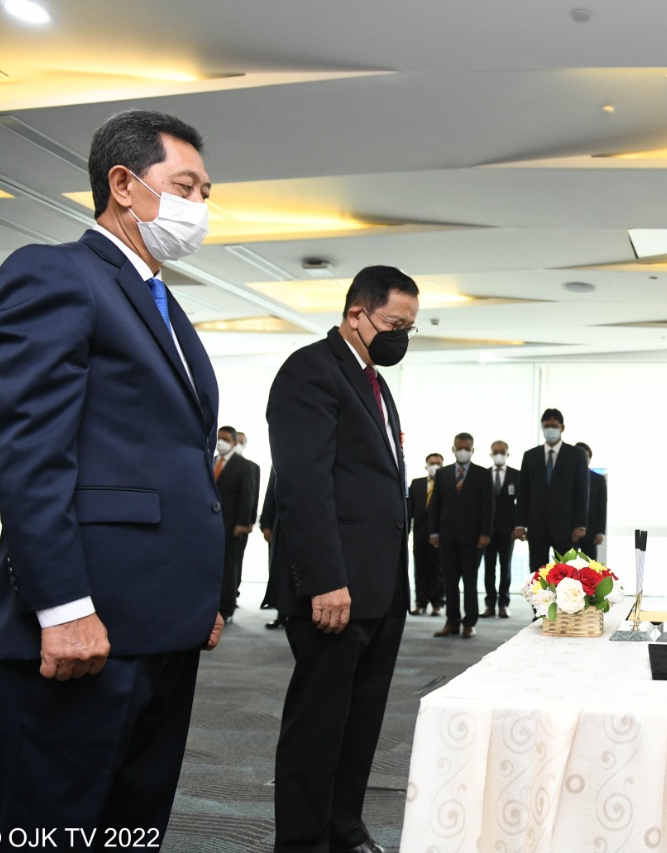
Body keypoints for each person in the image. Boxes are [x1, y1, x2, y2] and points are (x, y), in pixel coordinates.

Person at [0, 108, 224, 840]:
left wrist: (197, 597)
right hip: (84, 625)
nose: (199, 206)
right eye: (185, 187)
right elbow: (31, 450)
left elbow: (170, 459)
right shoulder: (56, 273)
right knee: (58, 827)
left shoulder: (162, 302)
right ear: (123, 184)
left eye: (206, 193)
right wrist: (62, 607)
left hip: (161, 624)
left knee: (133, 826)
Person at [267, 265, 418, 853]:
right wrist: (325, 580)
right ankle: (303, 842)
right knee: (319, 727)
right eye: (394, 325)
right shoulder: (310, 371)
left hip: (380, 587)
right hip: (336, 590)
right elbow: (303, 486)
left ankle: (344, 830)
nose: (401, 337)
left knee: (360, 723)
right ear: (356, 314)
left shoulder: (374, 384)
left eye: (409, 328)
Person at [429, 433, 494, 638]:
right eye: (459, 448)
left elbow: (488, 507)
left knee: (469, 582)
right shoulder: (443, 474)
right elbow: (435, 505)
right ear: (453, 449)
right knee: (449, 582)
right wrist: (433, 531)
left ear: (472, 450)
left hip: (473, 539)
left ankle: (469, 623)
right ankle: (452, 621)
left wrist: (485, 533)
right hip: (447, 537)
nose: (463, 451)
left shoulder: (482, 474)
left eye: (466, 448)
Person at [513, 408, 590, 571]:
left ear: (562, 428)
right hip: (536, 525)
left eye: (554, 426)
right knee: (537, 573)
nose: (550, 429)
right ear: (542, 427)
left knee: (567, 574)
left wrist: (581, 524)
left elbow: (582, 492)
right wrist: (520, 524)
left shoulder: (576, 455)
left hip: (567, 526)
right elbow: (523, 492)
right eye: (546, 426)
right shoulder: (530, 456)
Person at [215, 424, 256, 623]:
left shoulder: (244, 465)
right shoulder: (211, 460)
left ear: (233, 442)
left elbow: (247, 496)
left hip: (231, 524)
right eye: (218, 438)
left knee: (229, 567)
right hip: (211, 526)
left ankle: (227, 607)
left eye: (225, 439)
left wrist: (242, 523)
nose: (220, 443)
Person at [482, 440, 520, 618]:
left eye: (502, 451)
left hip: (508, 530)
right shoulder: (484, 475)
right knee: (489, 568)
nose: (499, 454)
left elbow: (521, 503)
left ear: (507, 454)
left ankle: (503, 604)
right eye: (495, 451)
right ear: (491, 454)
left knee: (506, 568)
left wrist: (518, 526)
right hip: (487, 530)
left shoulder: (516, 475)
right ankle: (490, 604)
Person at [408, 453, 445, 618]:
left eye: (438, 463)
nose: (434, 466)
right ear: (426, 465)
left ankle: (438, 604)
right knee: (420, 570)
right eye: (431, 463)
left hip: (440, 535)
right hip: (420, 534)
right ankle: (420, 603)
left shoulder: (446, 484)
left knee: (438, 571)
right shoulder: (416, 484)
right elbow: (409, 510)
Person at [233, 430, 262, 596]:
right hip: (219, 521)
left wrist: (249, 522)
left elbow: (253, 496)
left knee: (236, 559)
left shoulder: (252, 467)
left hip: (240, 523)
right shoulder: (213, 462)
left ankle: (233, 590)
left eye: (241, 441)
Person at [259, 469, 286, 630]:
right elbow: (271, 493)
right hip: (280, 527)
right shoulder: (280, 459)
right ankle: (281, 615)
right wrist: (266, 524)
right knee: (279, 571)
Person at [573, 441, 608, 558]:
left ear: (589, 459)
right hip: (568, 533)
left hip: (591, 533)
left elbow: (601, 507)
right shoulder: (565, 477)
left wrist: (600, 532)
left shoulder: (598, 480)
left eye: (586, 456)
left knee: (589, 567)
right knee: (567, 566)